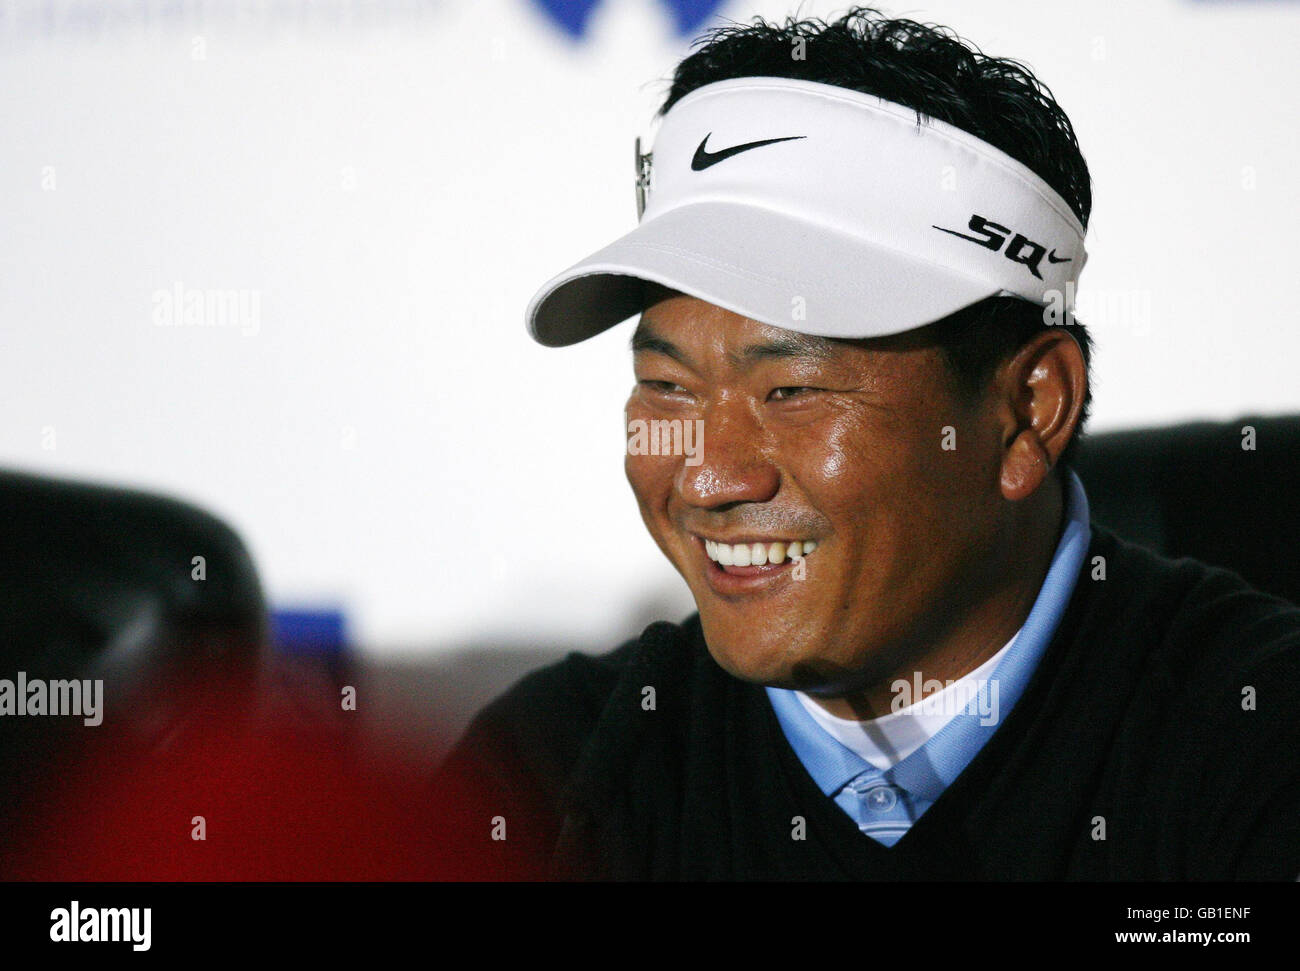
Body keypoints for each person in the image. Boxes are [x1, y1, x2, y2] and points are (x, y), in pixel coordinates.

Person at [432, 7, 1300, 880]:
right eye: (669, 385)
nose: (707, 474)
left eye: (792, 390)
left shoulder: (1256, 743)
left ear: (1032, 411)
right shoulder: (548, 776)